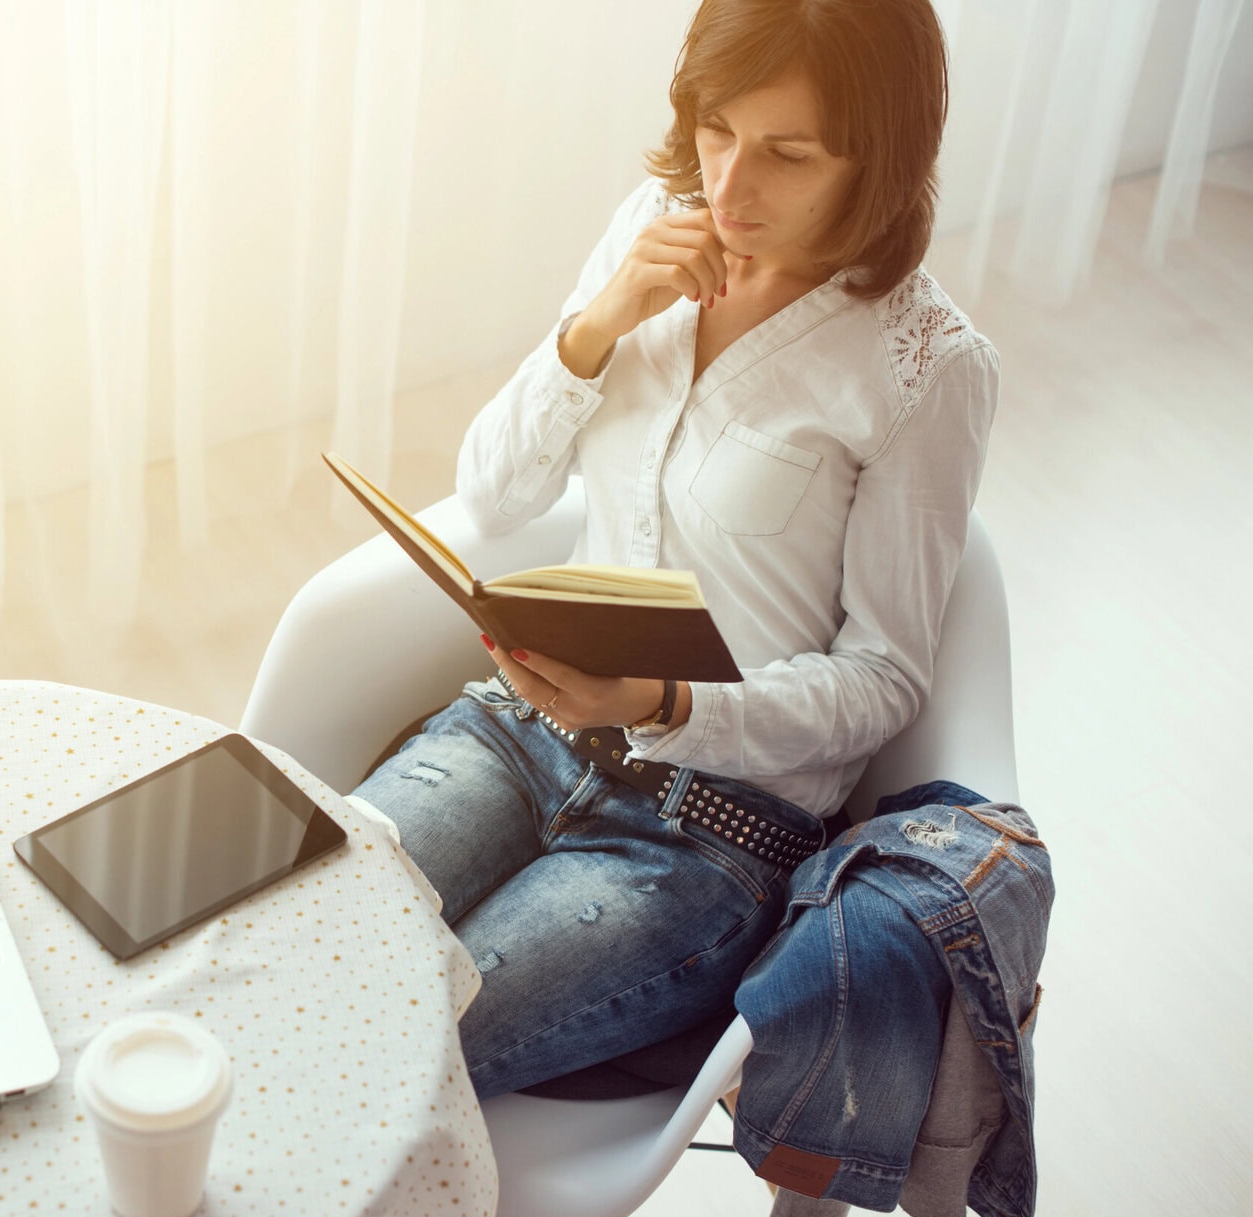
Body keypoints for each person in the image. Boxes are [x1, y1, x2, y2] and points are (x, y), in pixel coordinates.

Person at [351, 0, 999, 1101]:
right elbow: (496, 492)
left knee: (394, 1048)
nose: (730, 188)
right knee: (291, 936)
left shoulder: (924, 368)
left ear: (876, 160)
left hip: (707, 838)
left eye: (788, 153)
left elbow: (885, 680)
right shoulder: (656, 224)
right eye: (715, 130)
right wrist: (600, 321)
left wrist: (667, 704)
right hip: (520, 736)